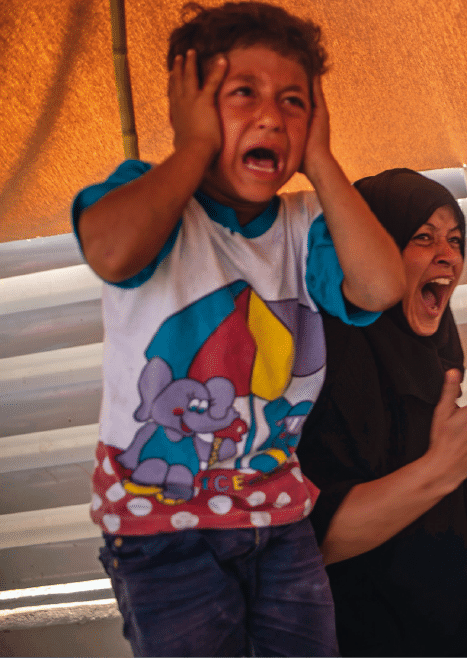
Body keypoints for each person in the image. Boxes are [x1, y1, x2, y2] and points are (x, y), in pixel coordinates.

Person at [71, 3, 406, 655]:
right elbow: (111, 252)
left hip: (279, 518)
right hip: (158, 529)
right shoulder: (149, 197)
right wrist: (192, 146)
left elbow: (380, 286)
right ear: (190, 107)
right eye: (243, 93)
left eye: (293, 101)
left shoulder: (305, 225)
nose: (271, 117)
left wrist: (322, 160)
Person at [297, 168, 467, 658]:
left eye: (455, 239)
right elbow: (313, 540)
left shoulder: (432, 360)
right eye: (422, 237)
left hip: (449, 628)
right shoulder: (321, 369)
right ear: (371, 248)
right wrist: (445, 467)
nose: (448, 255)